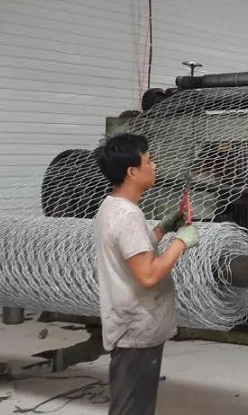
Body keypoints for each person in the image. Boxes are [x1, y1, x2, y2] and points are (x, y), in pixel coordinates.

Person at [93, 134, 200, 415]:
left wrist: (164, 228)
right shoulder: (128, 216)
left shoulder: (111, 206)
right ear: (132, 171)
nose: (155, 166)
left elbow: (133, 253)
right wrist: (182, 242)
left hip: (128, 324)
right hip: (136, 329)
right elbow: (148, 275)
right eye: (149, 160)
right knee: (133, 409)